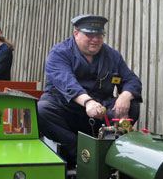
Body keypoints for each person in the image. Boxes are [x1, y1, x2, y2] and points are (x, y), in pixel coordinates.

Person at [37, 14, 142, 167]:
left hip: (99, 110)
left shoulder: (112, 56)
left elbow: (131, 80)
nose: (95, 39)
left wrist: (125, 95)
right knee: (42, 111)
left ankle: (112, 149)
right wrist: (88, 102)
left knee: (132, 106)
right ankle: (81, 153)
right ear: (76, 34)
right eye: (89, 35)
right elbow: (67, 82)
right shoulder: (59, 53)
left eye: (99, 35)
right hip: (67, 109)